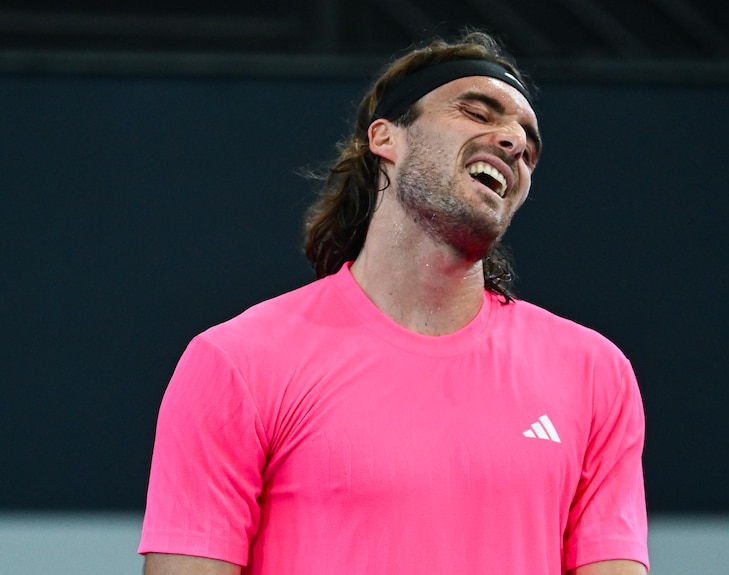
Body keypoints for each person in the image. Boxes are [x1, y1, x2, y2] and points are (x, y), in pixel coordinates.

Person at [139, 30, 649, 575]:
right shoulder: (236, 363)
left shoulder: (596, 375)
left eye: (527, 141)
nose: (513, 143)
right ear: (385, 137)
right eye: (477, 112)